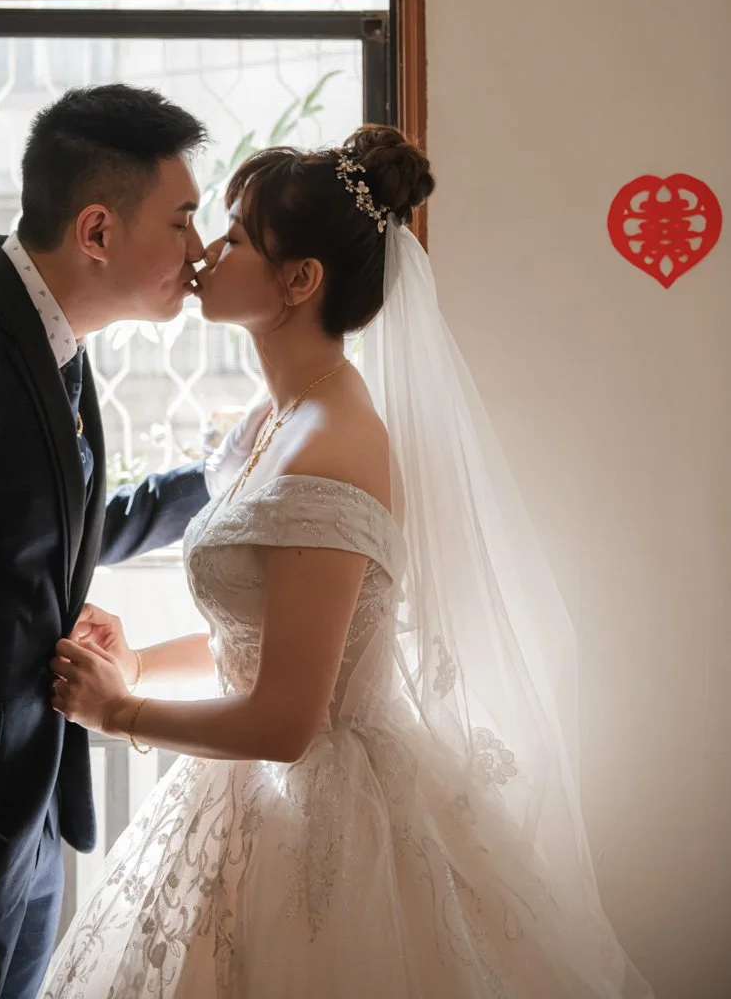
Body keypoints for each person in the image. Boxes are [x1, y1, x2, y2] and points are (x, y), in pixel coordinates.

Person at [41, 126, 653, 998]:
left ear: (299, 281)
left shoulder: (332, 445)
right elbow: (269, 639)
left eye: (236, 238)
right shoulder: (276, 420)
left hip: (318, 821)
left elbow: (287, 722)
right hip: (246, 798)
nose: (206, 253)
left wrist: (120, 712)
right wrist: (137, 662)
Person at [0, 85, 258, 999]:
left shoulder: (55, 344)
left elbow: (55, 517)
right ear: (96, 230)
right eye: (183, 219)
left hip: (29, 833)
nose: (200, 250)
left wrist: (222, 477)